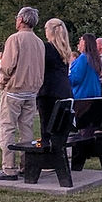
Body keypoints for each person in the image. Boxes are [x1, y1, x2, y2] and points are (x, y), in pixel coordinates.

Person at [0, 7, 46, 181]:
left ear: (21, 19)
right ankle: (26, 165)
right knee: (27, 129)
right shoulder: (39, 42)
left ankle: (9, 168)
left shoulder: (14, 39)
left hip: (14, 91)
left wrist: (1, 83)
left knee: (7, 128)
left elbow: (7, 66)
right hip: (31, 92)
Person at [37, 18, 74, 180]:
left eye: (45, 28)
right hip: (65, 91)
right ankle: (59, 156)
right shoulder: (65, 49)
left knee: (47, 127)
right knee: (59, 127)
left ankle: (48, 161)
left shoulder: (46, 48)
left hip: (49, 91)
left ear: (50, 31)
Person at [70, 33, 102, 100]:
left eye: (80, 39)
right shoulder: (95, 58)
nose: (79, 42)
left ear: (84, 42)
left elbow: (75, 78)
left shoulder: (83, 58)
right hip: (95, 94)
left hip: (82, 95)